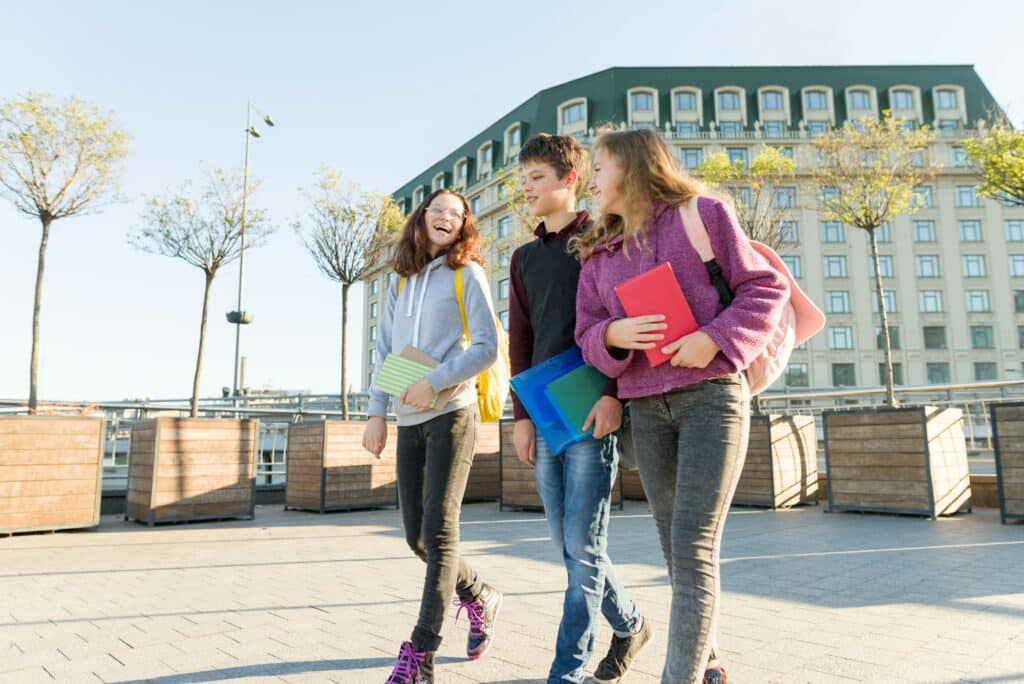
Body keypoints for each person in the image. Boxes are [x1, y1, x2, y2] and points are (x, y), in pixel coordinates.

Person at [572, 129, 789, 684]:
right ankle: (708, 658)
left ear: (634, 164)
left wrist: (715, 338)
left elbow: (765, 288)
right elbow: (587, 333)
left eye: (599, 165)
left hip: (712, 401)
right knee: (674, 547)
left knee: (692, 545)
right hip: (646, 410)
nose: (591, 177)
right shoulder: (599, 253)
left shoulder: (703, 214)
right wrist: (615, 332)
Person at [510, 133, 650, 684]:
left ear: (569, 180)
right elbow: (519, 339)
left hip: (594, 404)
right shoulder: (522, 258)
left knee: (584, 546)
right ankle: (631, 623)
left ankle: (567, 669)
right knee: (568, 544)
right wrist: (519, 414)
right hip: (544, 411)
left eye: (536, 179)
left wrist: (615, 396)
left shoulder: (602, 239)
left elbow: (626, 319)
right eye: (522, 181)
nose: (527, 188)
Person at [364, 189, 502, 684]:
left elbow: (486, 347)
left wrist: (436, 380)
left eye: (456, 213)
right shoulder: (401, 281)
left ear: (464, 224)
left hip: (453, 413)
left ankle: (421, 653)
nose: (445, 217)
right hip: (408, 418)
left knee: (441, 532)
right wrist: (377, 411)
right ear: (421, 220)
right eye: (437, 210)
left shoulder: (468, 274)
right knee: (417, 536)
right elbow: (383, 351)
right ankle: (478, 594)